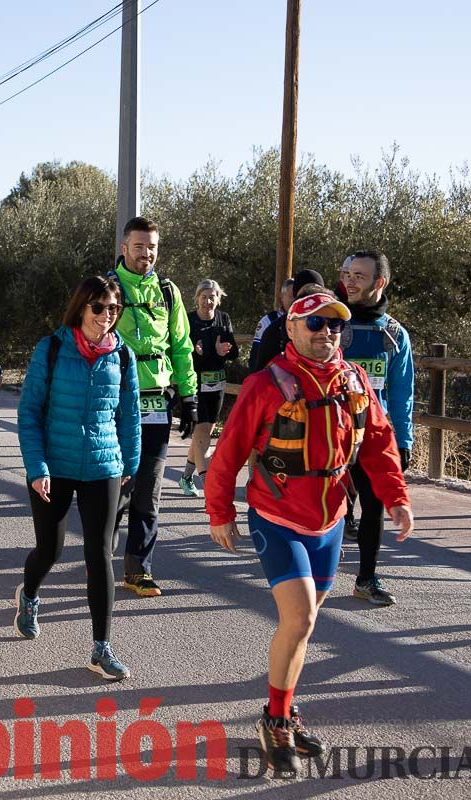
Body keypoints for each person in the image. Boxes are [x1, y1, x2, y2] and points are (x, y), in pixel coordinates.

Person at [204, 287, 413, 773]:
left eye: (334, 324)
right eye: (314, 323)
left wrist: (396, 497)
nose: (326, 332)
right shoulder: (266, 384)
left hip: (331, 518)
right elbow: (230, 451)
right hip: (278, 516)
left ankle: (285, 711)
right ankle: (275, 720)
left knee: (304, 626)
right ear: (292, 329)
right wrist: (219, 511)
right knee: (299, 620)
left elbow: (379, 444)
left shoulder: (354, 379)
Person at [14, 276, 141, 679]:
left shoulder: (122, 356)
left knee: (99, 554)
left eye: (114, 310)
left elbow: (131, 416)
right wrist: (37, 468)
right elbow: (29, 413)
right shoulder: (51, 349)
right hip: (54, 466)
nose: (106, 317)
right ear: (82, 308)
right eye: (99, 308)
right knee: (48, 551)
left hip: (103, 467)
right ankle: (30, 595)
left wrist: (130, 467)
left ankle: (101, 647)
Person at [108, 216, 197, 598]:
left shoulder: (167, 291)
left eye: (153, 248)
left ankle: (138, 569)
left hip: (157, 405)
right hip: (115, 405)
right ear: (125, 247)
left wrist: (189, 395)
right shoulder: (108, 288)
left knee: (150, 490)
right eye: (140, 246)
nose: (147, 254)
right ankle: (100, 557)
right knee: (114, 489)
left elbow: (181, 344)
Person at [339, 250, 414, 605]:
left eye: (359, 276)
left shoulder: (395, 334)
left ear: (379, 283)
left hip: (372, 435)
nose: (350, 281)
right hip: (330, 432)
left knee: (373, 505)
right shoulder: (328, 324)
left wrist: (404, 440)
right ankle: (307, 575)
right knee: (325, 503)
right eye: (348, 273)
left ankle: (366, 578)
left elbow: (402, 393)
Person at [178, 279, 238, 496]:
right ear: (197, 299)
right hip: (195, 384)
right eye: (204, 297)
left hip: (217, 385)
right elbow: (179, 349)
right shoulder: (189, 320)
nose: (208, 301)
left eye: (212, 297)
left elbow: (234, 352)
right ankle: (209, 485)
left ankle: (185, 478)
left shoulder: (224, 319)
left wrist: (224, 351)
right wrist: (195, 351)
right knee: (202, 434)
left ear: (218, 299)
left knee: (203, 435)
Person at [249, 269, 325, 374]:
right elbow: (259, 369)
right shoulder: (274, 329)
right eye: (306, 291)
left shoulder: (332, 325)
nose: (311, 296)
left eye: (316, 291)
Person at [250, 279, 295, 372]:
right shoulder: (268, 321)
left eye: (298, 297)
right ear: (281, 296)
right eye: (292, 296)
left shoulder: (305, 321)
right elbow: (256, 354)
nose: (295, 300)